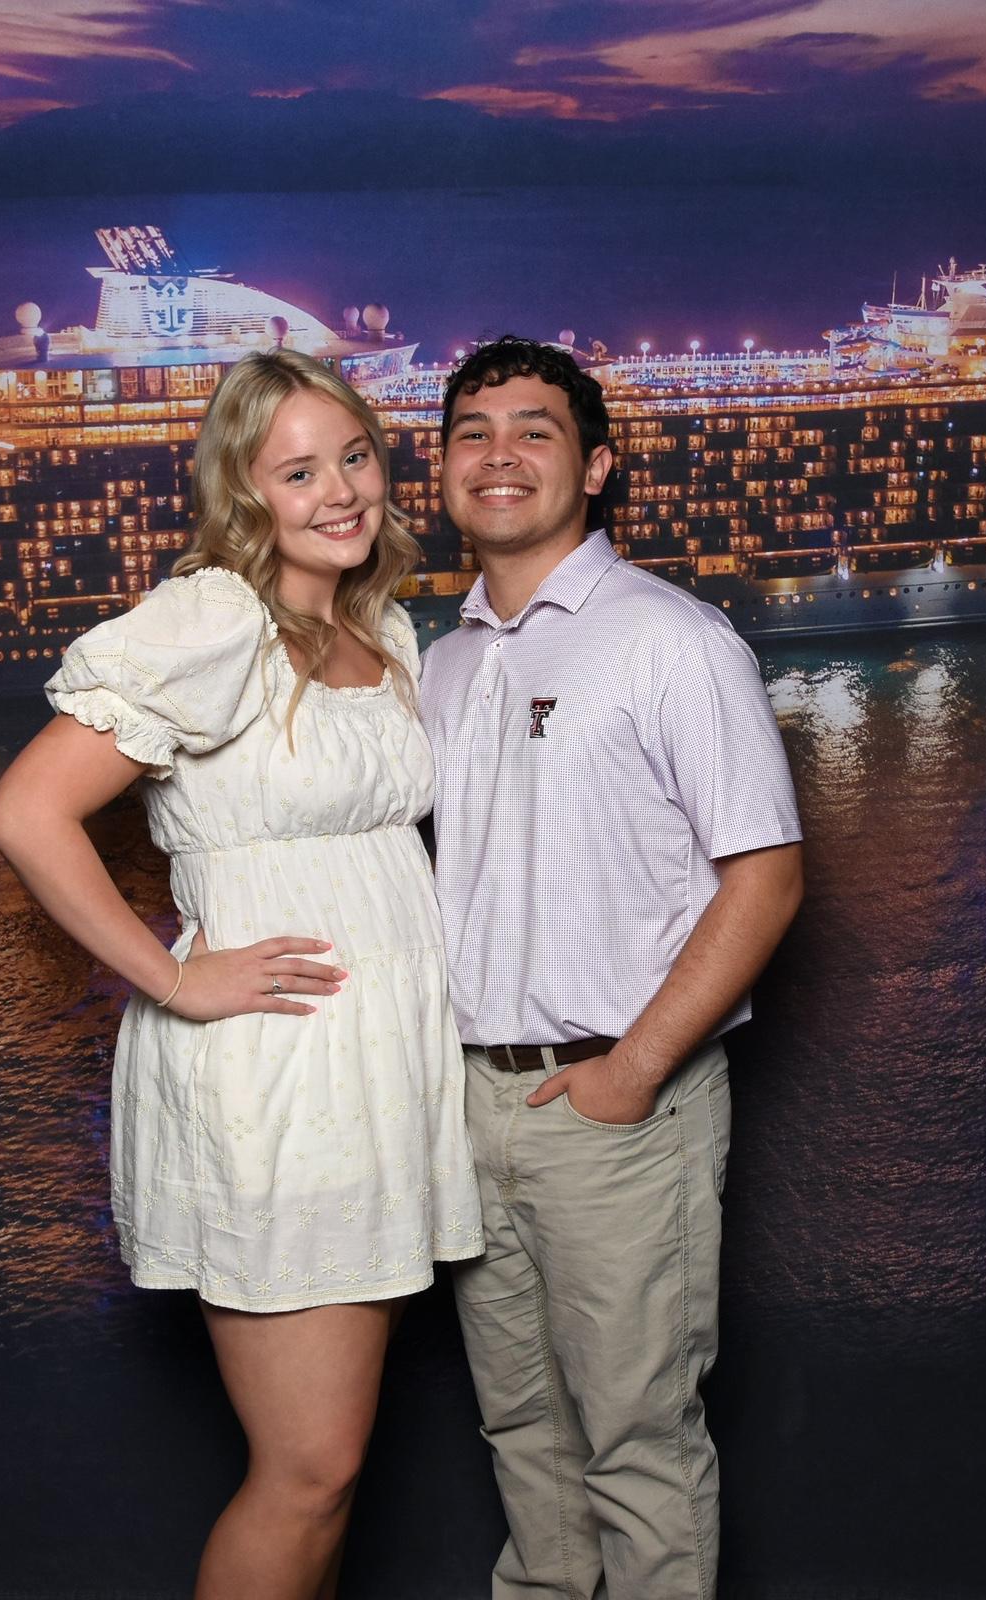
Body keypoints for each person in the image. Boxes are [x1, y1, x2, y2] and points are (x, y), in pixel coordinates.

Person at [0, 350, 482, 1600]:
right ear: (243, 491)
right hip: (277, 1074)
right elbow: (26, 812)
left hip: (377, 1074)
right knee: (308, 1469)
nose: (339, 492)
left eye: (354, 457)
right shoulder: (216, 619)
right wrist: (174, 980)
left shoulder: (379, 624)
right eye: (297, 472)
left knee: (334, 1474)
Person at [420, 337, 805, 1599]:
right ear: (442, 468)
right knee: (523, 1431)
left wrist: (633, 1071)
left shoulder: (668, 638)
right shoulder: (447, 659)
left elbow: (765, 877)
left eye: (533, 431)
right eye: (472, 432)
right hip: (474, 1103)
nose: (499, 455)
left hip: (615, 1107)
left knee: (637, 1442)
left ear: (594, 467)